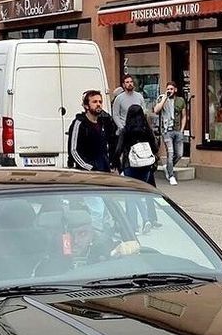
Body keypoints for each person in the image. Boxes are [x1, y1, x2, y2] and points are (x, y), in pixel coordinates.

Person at [116, 103, 160, 234]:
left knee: (130, 196)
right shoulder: (147, 130)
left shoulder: (126, 131)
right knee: (139, 193)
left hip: (130, 165)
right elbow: (155, 148)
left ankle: (133, 225)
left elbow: (118, 149)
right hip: (145, 166)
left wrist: (116, 165)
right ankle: (146, 219)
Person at [67, 90, 118, 173]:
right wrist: (90, 167)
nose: (98, 104)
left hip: (104, 171)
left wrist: (111, 164)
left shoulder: (104, 122)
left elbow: (109, 145)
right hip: (87, 174)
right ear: (86, 106)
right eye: (94, 102)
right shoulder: (79, 123)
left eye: (100, 102)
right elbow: (73, 151)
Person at [153, 81, 186, 186]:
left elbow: (184, 115)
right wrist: (164, 99)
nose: (169, 91)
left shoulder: (180, 100)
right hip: (166, 131)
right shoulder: (161, 98)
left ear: (175, 90)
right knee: (170, 153)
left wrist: (182, 130)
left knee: (179, 154)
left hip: (177, 130)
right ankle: (171, 176)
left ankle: (168, 167)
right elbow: (156, 110)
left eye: (171, 89)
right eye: (168, 89)